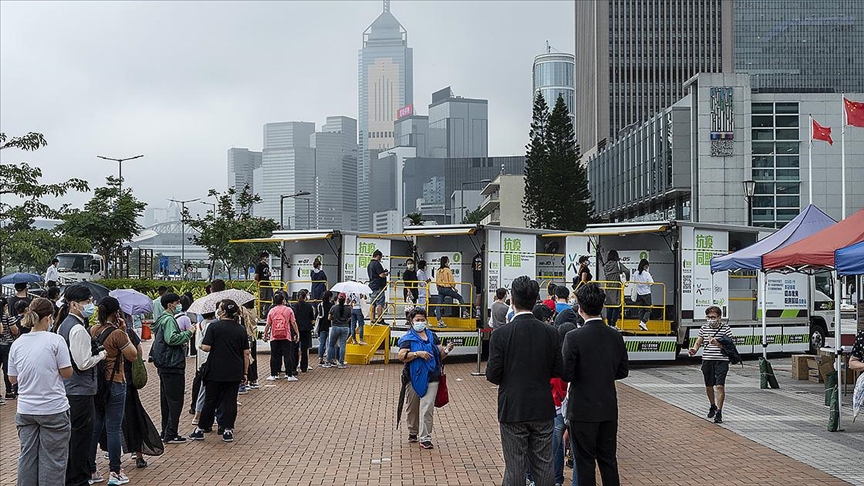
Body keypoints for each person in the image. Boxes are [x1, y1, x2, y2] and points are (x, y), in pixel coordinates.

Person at [486, 276, 564, 486]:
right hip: (542, 406)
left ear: (512, 299)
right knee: (544, 466)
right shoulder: (551, 333)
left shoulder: (501, 334)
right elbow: (559, 369)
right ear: (536, 300)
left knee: (514, 467)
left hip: (512, 407)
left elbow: (493, 374)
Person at [562, 283, 629, 486]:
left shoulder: (573, 337)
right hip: (608, 407)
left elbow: (566, 374)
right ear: (602, 306)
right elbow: (623, 371)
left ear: (580, 308)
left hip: (581, 409)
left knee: (584, 463)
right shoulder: (615, 336)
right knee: (608, 460)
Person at [7, 297, 73, 485]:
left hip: (26, 409)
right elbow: (67, 373)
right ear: (49, 317)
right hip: (53, 409)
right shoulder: (55, 340)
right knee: (53, 460)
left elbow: (12, 379)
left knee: (27, 457)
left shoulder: (18, 343)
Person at [56, 284, 107, 486]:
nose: (91, 305)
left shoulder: (64, 325)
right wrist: (101, 355)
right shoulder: (77, 328)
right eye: (88, 302)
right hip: (81, 390)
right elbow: (83, 362)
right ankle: (78, 478)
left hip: (69, 389)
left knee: (75, 436)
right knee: (81, 437)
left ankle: (73, 476)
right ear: (75, 304)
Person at [88, 297, 137, 485]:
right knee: (114, 428)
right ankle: (115, 471)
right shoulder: (118, 334)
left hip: (97, 384)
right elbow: (132, 356)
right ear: (117, 312)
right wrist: (124, 331)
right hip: (116, 382)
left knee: (95, 426)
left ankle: (91, 469)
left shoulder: (93, 330)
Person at [189, 299, 250, 443]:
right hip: (234, 370)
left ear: (222, 311)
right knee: (230, 400)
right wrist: (245, 372)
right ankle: (228, 430)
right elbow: (246, 353)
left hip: (215, 369)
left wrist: (200, 344)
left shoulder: (213, 327)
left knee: (210, 400)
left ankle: (201, 429)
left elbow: (206, 347)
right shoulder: (240, 329)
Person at [398, 308, 455, 450]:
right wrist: (418, 354)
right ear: (411, 321)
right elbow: (401, 356)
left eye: (422, 319)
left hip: (432, 377)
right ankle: (413, 431)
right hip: (413, 377)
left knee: (427, 407)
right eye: (417, 320)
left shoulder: (432, 336)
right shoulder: (408, 338)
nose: (420, 322)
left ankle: (425, 438)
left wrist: (447, 350)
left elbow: (440, 355)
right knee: (413, 407)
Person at [119, 314, 163, 470]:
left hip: (107, 384)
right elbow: (137, 354)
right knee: (134, 416)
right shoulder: (128, 333)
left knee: (109, 421)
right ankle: (138, 454)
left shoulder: (98, 331)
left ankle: (112, 456)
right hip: (127, 382)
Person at [150, 292, 195, 444]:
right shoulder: (169, 320)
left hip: (164, 365)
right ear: (170, 305)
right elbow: (172, 338)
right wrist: (188, 334)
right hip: (172, 365)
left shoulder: (161, 319)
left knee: (166, 400)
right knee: (175, 400)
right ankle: (171, 432)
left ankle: (166, 431)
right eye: (176, 303)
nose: (178, 305)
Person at [688, 306, 733, 424]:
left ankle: (719, 411)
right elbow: (699, 341)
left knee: (719, 386)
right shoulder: (704, 328)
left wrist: (717, 343)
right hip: (707, 360)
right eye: (708, 317)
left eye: (713, 317)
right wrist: (694, 349)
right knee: (709, 386)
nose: (710, 319)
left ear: (719, 318)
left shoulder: (726, 329)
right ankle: (712, 405)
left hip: (721, 360)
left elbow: (729, 347)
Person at [263, 292, 299, 381]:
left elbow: (268, 324)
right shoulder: (288, 310)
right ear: (283, 300)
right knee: (287, 355)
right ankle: (289, 375)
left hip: (274, 336)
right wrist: (297, 333)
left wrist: (265, 334)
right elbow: (293, 322)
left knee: (274, 355)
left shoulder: (271, 311)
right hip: (286, 335)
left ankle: (273, 374)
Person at [434, 255, 466, 325]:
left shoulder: (438, 270)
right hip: (447, 289)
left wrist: (438, 289)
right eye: (448, 261)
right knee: (459, 297)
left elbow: (436, 281)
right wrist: (454, 288)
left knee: (438, 305)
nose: (449, 263)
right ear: (446, 263)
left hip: (440, 289)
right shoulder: (448, 270)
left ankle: (439, 321)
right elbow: (451, 281)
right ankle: (465, 312)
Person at [602, 251, 629, 330]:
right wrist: (627, 280)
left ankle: (609, 324)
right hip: (617, 287)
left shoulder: (605, 266)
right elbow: (627, 271)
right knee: (616, 306)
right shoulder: (617, 264)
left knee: (609, 306)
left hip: (608, 288)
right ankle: (613, 324)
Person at [293, 289, 316, 373]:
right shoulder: (309, 306)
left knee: (295, 349)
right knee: (304, 349)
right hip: (306, 329)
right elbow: (312, 318)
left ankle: (294, 366)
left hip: (296, 329)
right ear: (305, 297)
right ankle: (304, 367)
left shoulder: (294, 306)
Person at [327, 293, 352, 369]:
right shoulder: (348, 308)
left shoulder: (333, 307)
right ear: (345, 300)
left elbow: (329, 318)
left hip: (335, 327)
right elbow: (349, 318)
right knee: (342, 345)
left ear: (338, 299)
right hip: (345, 327)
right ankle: (341, 362)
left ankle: (329, 362)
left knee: (331, 344)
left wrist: (334, 319)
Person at [240, 302, 260, 389]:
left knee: (246, 357)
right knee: (253, 357)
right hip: (252, 335)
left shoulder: (243, 311)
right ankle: (254, 380)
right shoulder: (254, 310)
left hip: (246, 335)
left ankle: (246, 380)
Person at [367, 249, 389, 324]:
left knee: (372, 303)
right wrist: (385, 273)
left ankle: (372, 319)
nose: (380, 259)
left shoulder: (369, 264)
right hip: (378, 286)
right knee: (379, 303)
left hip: (371, 286)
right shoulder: (377, 264)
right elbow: (381, 275)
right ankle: (380, 319)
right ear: (378, 256)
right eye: (380, 258)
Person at [632, 259, 653, 331]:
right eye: (647, 266)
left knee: (641, 309)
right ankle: (643, 322)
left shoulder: (635, 273)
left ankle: (641, 324)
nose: (647, 268)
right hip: (646, 294)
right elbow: (651, 283)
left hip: (639, 294)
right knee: (648, 309)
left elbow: (635, 282)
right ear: (645, 266)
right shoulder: (647, 274)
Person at [1, 299, 16, 401]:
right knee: (7, 369)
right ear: (5, 306)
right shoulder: (7, 317)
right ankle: (8, 392)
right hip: (7, 345)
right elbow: (14, 330)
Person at [317, 291, 334, 366]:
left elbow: (318, 315)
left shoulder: (320, 305)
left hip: (321, 325)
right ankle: (329, 359)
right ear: (330, 297)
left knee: (321, 343)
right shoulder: (332, 305)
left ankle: (320, 359)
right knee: (330, 343)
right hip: (330, 325)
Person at [254, 252, 273, 318]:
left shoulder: (266, 265)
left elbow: (268, 273)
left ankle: (266, 313)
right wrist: (259, 282)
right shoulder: (259, 266)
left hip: (267, 283)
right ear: (263, 258)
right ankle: (260, 314)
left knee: (269, 299)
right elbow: (256, 276)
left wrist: (269, 274)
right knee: (262, 299)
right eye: (266, 257)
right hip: (262, 284)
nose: (267, 258)